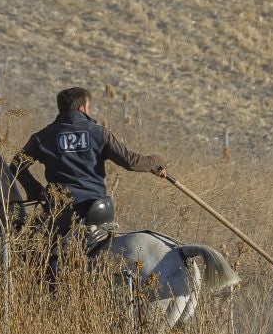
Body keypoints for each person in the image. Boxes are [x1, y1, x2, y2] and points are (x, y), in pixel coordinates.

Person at [12, 86, 167, 278]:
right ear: (82, 108)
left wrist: (36, 190)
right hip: (99, 210)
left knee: (26, 251)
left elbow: (16, 165)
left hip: (61, 212)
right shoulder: (99, 133)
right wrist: (155, 162)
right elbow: (130, 161)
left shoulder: (42, 137)